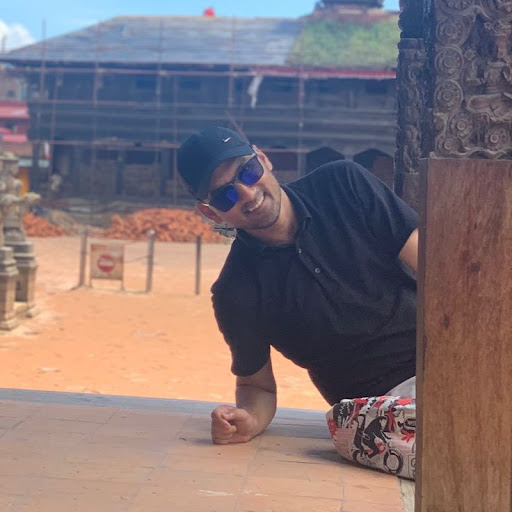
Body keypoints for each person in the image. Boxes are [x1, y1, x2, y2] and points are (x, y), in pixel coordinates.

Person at [177, 126, 418, 445]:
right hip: (379, 411)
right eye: (226, 195)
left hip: (446, 355)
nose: (247, 194)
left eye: (248, 172)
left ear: (263, 158)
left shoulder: (344, 185)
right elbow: (257, 386)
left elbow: (434, 267)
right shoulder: (236, 292)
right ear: (210, 212)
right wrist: (250, 419)